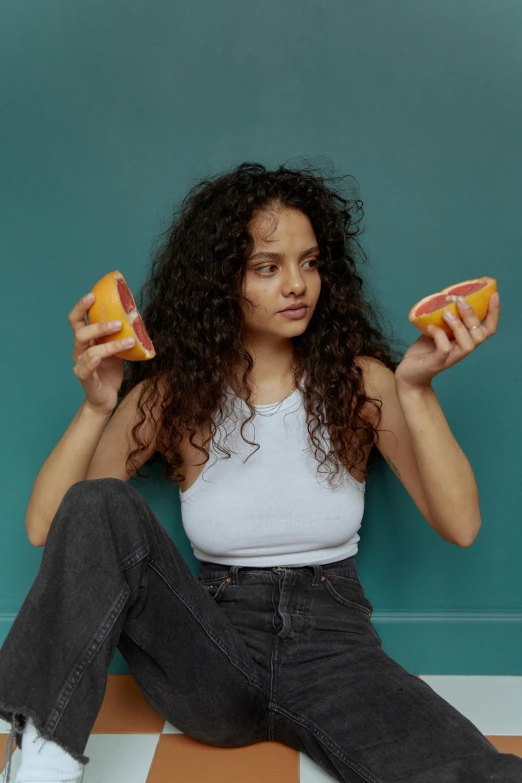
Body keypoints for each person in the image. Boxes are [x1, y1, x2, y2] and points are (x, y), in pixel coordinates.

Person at [1, 161, 520, 783]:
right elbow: (47, 525)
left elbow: (461, 524)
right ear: (223, 281)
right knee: (99, 502)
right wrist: (96, 407)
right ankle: (43, 761)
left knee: (476, 773)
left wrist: (416, 390)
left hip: (337, 651)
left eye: (310, 262)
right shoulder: (169, 395)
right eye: (267, 267)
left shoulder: (362, 384)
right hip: (211, 649)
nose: (297, 284)